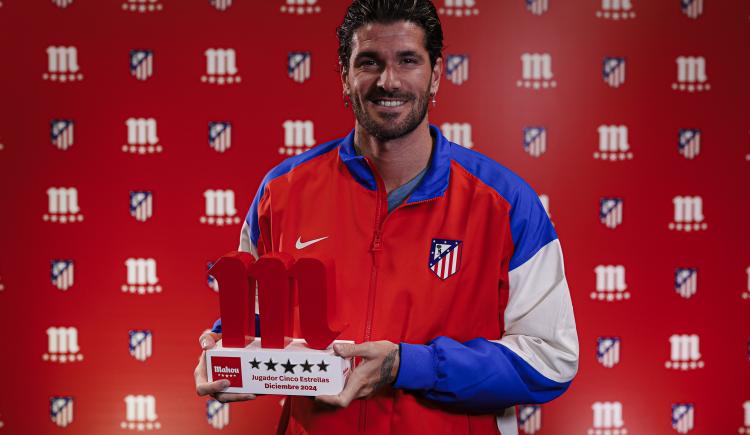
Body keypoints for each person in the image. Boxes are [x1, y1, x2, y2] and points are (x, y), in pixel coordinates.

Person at [194, 1, 578, 433]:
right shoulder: (280, 192)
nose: (388, 80)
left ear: (435, 75)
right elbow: (259, 318)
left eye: (408, 61)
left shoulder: (506, 203)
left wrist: (408, 364)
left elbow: (551, 359)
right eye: (369, 62)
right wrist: (226, 349)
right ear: (345, 76)